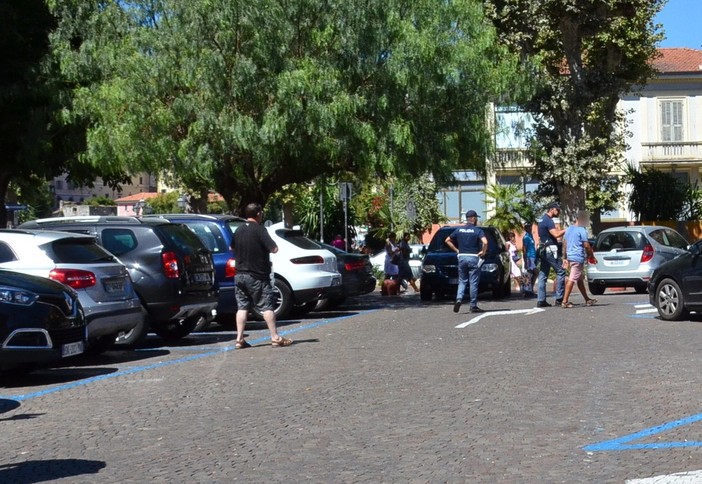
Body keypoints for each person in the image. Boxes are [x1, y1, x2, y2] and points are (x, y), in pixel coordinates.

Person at [232, 203, 293, 349]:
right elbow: (274, 248)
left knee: (242, 307)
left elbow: (231, 247)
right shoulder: (260, 230)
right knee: (266, 306)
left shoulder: (239, 230)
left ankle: (239, 339)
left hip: (240, 274)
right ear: (258, 213)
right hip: (257, 275)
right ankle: (275, 337)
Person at [445, 210, 488, 314]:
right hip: (474, 257)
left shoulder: (459, 229)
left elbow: (447, 240)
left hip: (462, 257)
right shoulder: (477, 230)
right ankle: (473, 305)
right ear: (473, 218)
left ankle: (459, 298)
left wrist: (457, 250)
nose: (477, 219)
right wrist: (483, 251)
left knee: (462, 280)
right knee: (473, 282)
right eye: (476, 218)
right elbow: (485, 242)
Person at [561, 210, 598, 308]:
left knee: (579, 279)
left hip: (571, 256)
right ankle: (565, 301)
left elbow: (565, 243)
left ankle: (587, 299)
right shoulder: (582, 230)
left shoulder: (569, 229)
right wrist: (592, 256)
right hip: (578, 257)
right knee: (572, 278)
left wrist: (565, 257)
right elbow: (586, 245)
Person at [536, 202, 566, 308]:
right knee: (561, 271)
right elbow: (556, 234)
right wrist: (567, 229)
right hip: (550, 250)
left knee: (543, 274)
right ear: (552, 209)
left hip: (543, 249)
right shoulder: (548, 221)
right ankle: (559, 298)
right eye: (557, 210)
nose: (558, 212)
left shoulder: (542, 220)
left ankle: (541, 300)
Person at [521, 223, 537, 298]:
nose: (530, 228)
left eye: (530, 227)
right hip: (529, 257)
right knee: (531, 273)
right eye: (528, 227)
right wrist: (525, 260)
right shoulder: (526, 237)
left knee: (532, 273)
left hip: (533, 257)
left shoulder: (531, 236)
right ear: (525, 228)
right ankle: (527, 291)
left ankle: (530, 289)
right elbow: (524, 249)